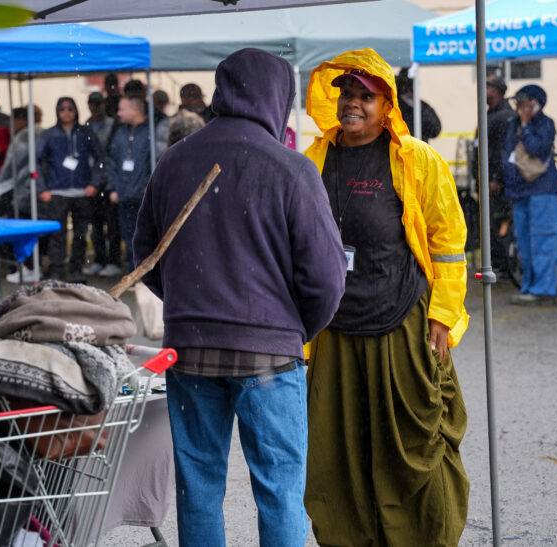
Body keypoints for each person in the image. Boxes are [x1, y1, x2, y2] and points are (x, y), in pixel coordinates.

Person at [132, 48, 347, 547]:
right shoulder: (292, 169)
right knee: (279, 491)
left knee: (199, 488)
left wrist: (188, 304)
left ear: (221, 92)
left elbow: (145, 253)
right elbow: (327, 278)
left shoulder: (175, 160)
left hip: (190, 349)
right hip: (270, 354)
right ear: (278, 98)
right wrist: (293, 328)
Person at [303, 48, 470, 546]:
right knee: (341, 450)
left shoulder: (415, 159)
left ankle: (422, 538)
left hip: (402, 321)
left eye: (364, 97)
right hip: (334, 329)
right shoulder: (313, 159)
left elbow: (448, 243)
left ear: (386, 105)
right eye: (346, 94)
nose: (352, 104)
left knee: (409, 442)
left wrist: (442, 315)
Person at [36, 97, 103, 283]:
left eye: (70, 109)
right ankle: (56, 270)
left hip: (82, 192)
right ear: (57, 111)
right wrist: (42, 188)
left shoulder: (85, 132)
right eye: (62, 109)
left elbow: (100, 159)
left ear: (76, 111)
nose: (66, 112)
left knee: (81, 234)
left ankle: (76, 269)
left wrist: (94, 183)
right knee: (57, 234)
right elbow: (35, 162)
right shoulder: (48, 135)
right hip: (57, 192)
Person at [503, 84, 557, 304]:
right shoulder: (511, 124)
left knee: (543, 241)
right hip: (519, 191)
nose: (517, 106)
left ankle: (543, 289)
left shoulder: (546, 123)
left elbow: (537, 149)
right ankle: (528, 287)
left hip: (541, 190)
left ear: (535, 103)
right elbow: (507, 155)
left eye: (522, 102)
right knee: (524, 243)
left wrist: (526, 126)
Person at [473, 75, 515, 274]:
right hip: (486, 180)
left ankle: (505, 264)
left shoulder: (505, 116)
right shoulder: (490, 114)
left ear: (496, 91)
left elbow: (502, 151)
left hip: (497, 184)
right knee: (489, 225)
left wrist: (496, 178)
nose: (482, 90)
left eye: (486, 86)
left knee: (499, 224)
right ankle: (498, 262)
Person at [0, 105, 43, 284]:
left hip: (23, 191)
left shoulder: (25, 137)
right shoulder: (33, 134)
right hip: (28, 190)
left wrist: (0, 187)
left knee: (23, 229)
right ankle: (28, 266)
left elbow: (12, 167)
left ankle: (29, 267)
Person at [108, 94, 151, 271]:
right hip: (124, 195)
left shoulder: (151, 132)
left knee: (146, 235)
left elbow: (155, 162)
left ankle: (146, 275)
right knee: (128, 235)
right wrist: (113, 187)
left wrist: (149, 187)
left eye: (121, 109)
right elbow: (112, 162)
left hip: (144, 196)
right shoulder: (120, 133)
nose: (118, 113)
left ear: (134, 110)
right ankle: (134, 272)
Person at [84, 91, 121, 277]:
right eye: (92, 103)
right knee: (96, 225)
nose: (95, 107)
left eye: (98, 104)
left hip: (108, 181)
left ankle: (114, 261)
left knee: (112, 226)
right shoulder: (86, 125)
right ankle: (99, 259)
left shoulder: (113, 125)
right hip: (93, 182)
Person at [395, 67, 442, 142]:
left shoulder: (421, 106)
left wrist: (419, 107)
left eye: (411, 86)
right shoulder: (394, 106)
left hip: (419, 150)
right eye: (405, 86)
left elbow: (435, 130)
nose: (408, 89)